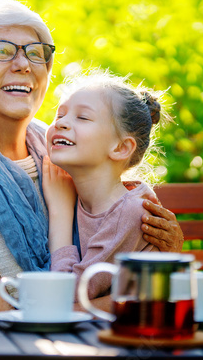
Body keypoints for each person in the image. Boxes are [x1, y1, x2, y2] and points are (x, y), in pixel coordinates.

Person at [0, 0, 185, 318]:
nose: (24, 64)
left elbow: (128, 226)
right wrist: (142, 295)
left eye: (37, 53)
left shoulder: (76, 156)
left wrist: (165, 253)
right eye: (1, 50)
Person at [44, 70, 171, 298]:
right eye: (59, 115)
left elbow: (68, 293)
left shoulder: (131, 212)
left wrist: (60, 213)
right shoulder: (83, 196)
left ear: (121, 148)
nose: (61, 123)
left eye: (82, 117)